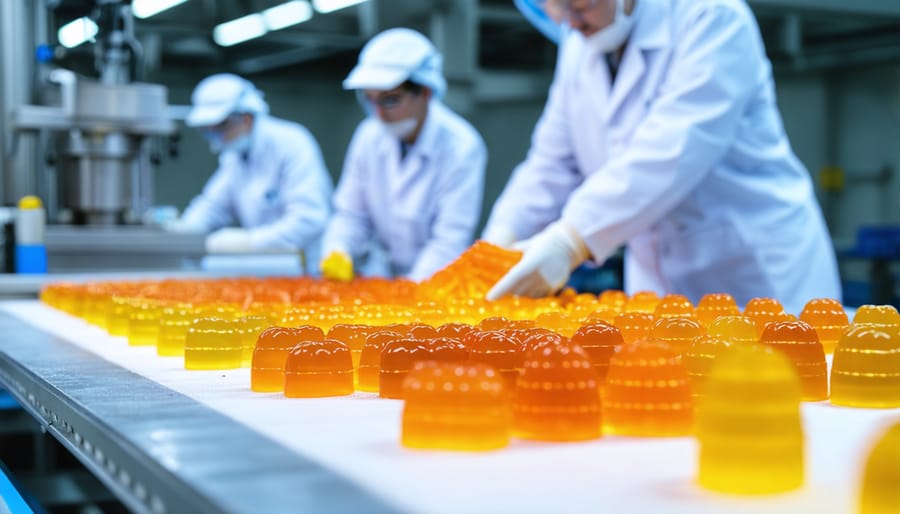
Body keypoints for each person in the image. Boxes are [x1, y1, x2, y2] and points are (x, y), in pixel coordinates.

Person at [482, 0, 841, 313]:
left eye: (578, 4)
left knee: (777, 385)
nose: (570, 22)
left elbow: (673, 149)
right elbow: (551, 161)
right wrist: (502, 236)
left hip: (751, 271)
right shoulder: (578, 46)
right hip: (659, 281)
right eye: (555, 9)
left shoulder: (712, 17)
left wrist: (572, 238)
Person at [320, 28, 487, 282]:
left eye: (390, 100)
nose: (379, 114)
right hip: (380, 276)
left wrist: (409, 293)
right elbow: (352, 215)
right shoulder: (368, 136)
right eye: (369, 100)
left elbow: (448, 240)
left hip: (433, 279)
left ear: (425, 93)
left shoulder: (461, 145)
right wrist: (339, 248)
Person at [173, 73, 333, 268]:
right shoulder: (234, 157)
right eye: (208, 129)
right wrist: (179, 234)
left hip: (307, 267)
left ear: (246, 119)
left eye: (221, 127)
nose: (216, 136)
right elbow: (212, 207)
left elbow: (309, 220)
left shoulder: (291, 143)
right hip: (269, 267)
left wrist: (250, 241)